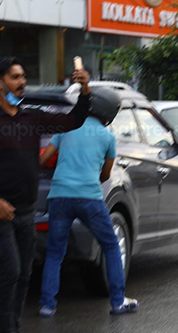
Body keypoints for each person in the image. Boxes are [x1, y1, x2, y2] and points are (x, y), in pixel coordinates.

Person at [0, 57, 91, 333]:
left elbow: (73, 120)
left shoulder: (31, 117)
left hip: (25, 210)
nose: (22, 82)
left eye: (23, 76)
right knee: (10, 269)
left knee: (24, 273)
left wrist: (85, 89)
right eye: (15, 77)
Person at [37, 87, 137, 318]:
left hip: (59, 197)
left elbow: (42, 159)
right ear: (109, 112)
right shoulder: (108, 137)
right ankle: (118, 301)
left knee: (54, 253)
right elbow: (106, 174)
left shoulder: (66, 128)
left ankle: (47, 305)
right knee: (111, 245)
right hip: (89, 198)